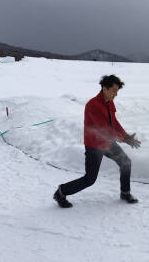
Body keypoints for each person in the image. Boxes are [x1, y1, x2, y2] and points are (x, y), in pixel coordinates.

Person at [53, 75, 141, 208]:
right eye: (113, 90)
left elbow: (114, 123)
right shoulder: (93, 105)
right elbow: (104, 129)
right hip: (94, 145)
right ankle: (61, 192)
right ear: (104, 88)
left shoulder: (109, 102)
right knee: (90, 179)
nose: (116, 94)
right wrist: (124, 139)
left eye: (117, 91)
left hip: (107, 143)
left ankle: (125, 192)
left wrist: (125, 135)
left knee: (126, 163)